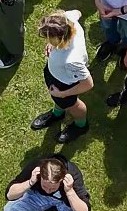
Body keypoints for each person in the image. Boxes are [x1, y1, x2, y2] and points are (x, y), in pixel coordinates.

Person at [33, 10, 94, 144]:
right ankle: (57, 113)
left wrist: (63, 94)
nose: (47, 40)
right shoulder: (67, 20)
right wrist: (51, 45)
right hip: (54, 73)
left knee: (73, 106)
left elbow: (88, 84)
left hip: (65, 84)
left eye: (49, 38)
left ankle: (81, 126)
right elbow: (78, 12)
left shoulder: (72, 60)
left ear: (60, 38)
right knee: (59, 100)